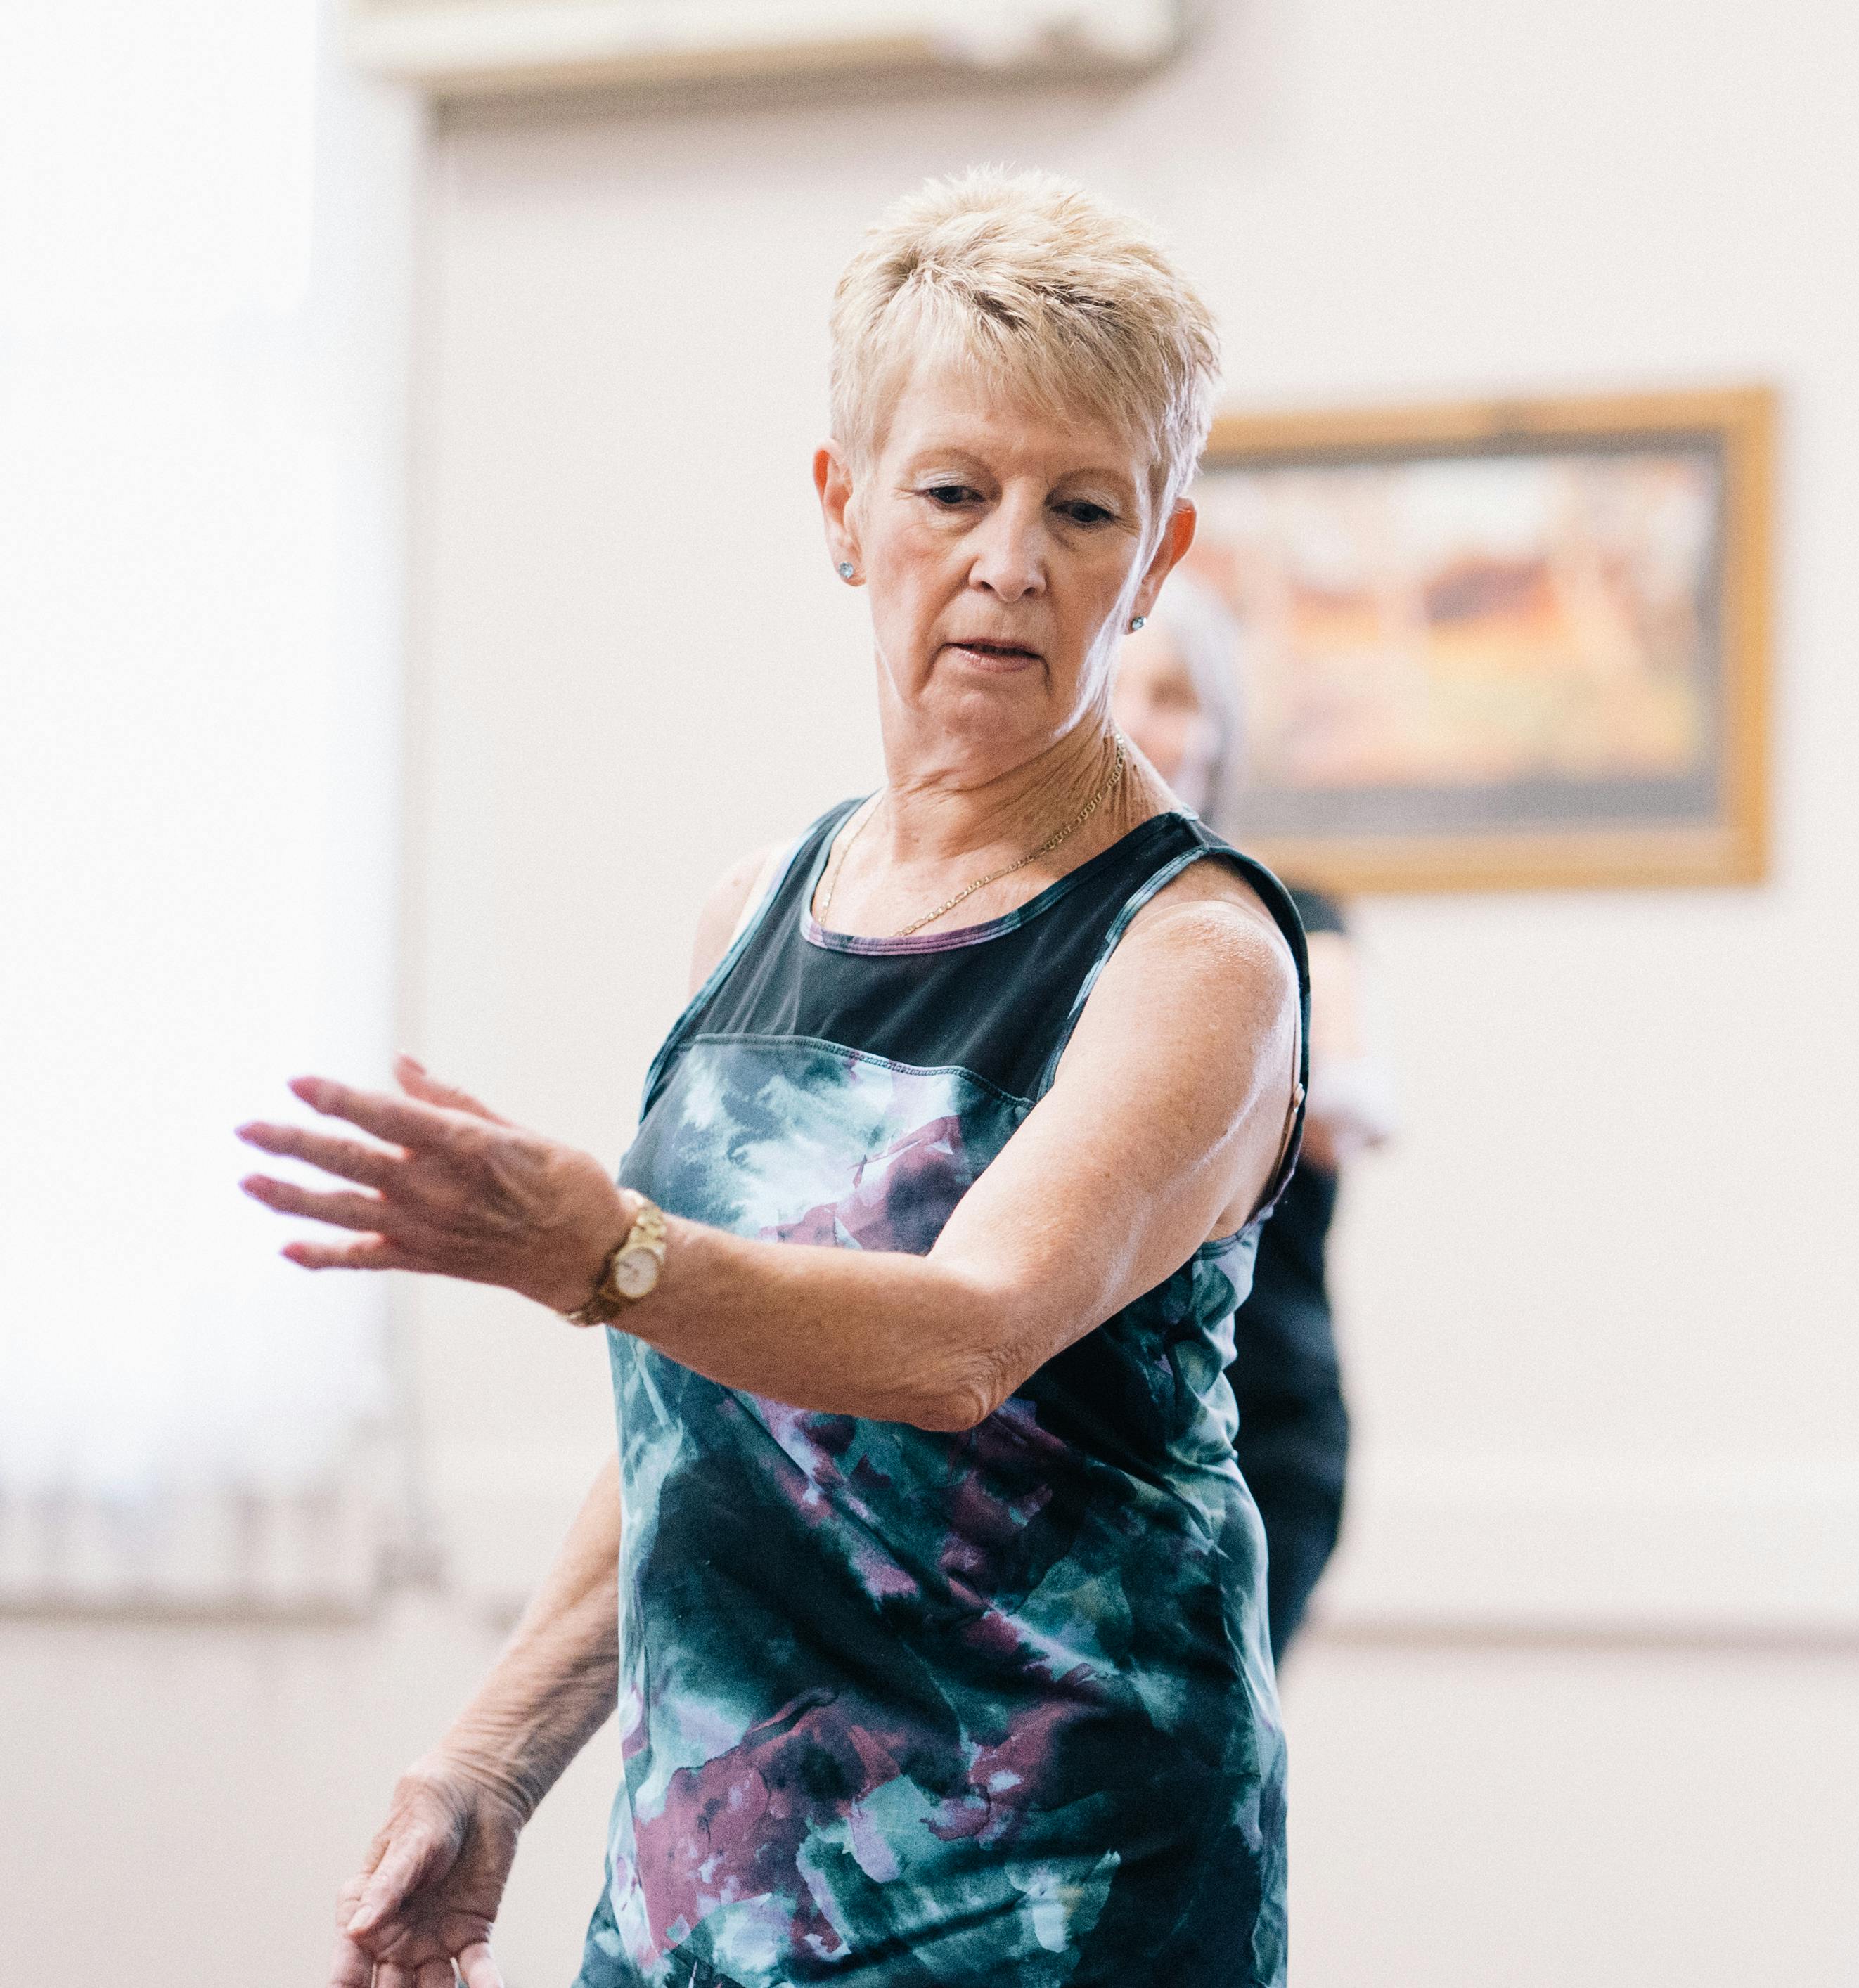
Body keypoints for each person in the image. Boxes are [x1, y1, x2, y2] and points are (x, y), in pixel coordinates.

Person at [238, 167, 1301, 1988]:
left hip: (1051, 1899)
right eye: (954, 491)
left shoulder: (1194, 953)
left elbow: (962, 1336)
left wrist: (606, 1252)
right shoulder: (757, 907)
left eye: (1084, 508)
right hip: (713, 1889)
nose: (1009, 562)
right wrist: (494, 1757)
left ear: (1162, 552)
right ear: (843, 504)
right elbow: (708, 1428)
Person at [1111, 584, 1395, 1658]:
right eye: (1118, 688)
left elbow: (1354, 1102)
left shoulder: (1284, 919)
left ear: (1223, 732)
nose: (1140, 720)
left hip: (1246, 1436)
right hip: (1066, 1450)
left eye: (1176, 694)